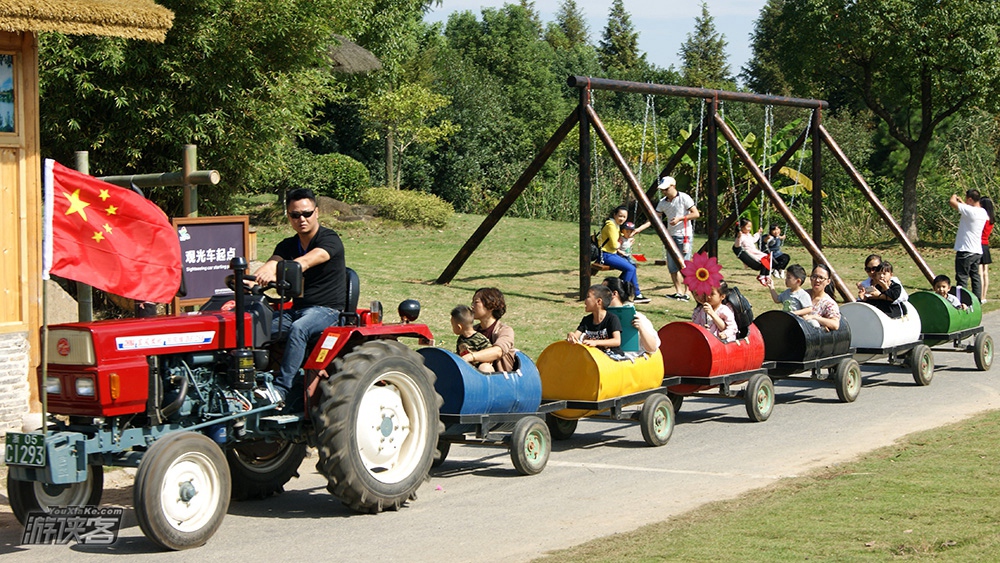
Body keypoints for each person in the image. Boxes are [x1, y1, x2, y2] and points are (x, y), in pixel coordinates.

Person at [254, 188, 346, 406]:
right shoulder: (287, 245)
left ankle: (281, 389)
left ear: (317, 212)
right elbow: (272, 262)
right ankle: (249, 381)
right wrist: (254, 278)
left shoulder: (330, 239)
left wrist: (276, 270)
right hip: (298, 309)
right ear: (288, 216)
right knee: (257, 325)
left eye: (306, 213)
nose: (301, 219)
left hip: (328, 310)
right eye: (295, 215)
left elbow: (306, 261)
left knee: (299, 329)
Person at [635, 176, 699, 301]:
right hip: (670, 236)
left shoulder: (684, 198)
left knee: (684, 264)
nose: (664, 192)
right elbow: (654, 219)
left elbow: (696, 214)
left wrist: (680, 219)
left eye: (666, 189)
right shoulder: (663, 202)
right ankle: (678, 291)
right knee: (671, 265)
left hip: (684, 236)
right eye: (663, 190)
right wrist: (639, 229)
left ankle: (687, 292)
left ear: (673, 186)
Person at [598, 206, 650, 303]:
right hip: (606, 254)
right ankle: (620, 293)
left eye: (624, 217)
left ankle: (637, 294)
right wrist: (621, 242)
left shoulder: (616, 225)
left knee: (632, 267)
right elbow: (614, 245)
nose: (622, 219)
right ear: (615, 215)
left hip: (612, 254)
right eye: (620, 216)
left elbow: (618, 237)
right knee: (630, 268)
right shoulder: (611, 225)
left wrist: (626, 239)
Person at [604, 277, 661, 355]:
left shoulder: (638, 317)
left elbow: (652, 348)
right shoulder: (599, 316)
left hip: (630, 361)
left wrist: (641, 329)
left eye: (603, 291)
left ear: (614, 294)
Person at [950, 189, 989, 301]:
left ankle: (962, 302)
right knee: (975, 278)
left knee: (962, 278)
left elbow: (952, 202)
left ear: (971, 199)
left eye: (967, 199)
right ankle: (977, 301)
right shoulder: (982, 212)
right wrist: (962, 201)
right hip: (977, 251)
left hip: (965, 250)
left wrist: (954, 195)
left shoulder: (970, 211)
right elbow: (967, 208)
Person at [467, 287, 517, 372]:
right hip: (472, 378)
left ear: (491, 305)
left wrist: (471, 356)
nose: (472, 306)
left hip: (501, 381)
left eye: (476, 302)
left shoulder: (505, 330)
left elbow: (498, 351)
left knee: (485, 367)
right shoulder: (472, 330)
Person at [567, 284, 623, 354]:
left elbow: (617, 341)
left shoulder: (612, 319)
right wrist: (571, 335)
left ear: (599, 301)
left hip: (612, 356)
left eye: (588, 297)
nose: (585, 301)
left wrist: (596, 342)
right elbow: (576, 337)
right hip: (594, 357)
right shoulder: (586, 320)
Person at [796, 264, 841, 331]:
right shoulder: (801, 295)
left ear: (828, 281)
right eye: (814, 276)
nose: (817, 280)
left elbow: (835, 324)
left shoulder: (828, 303)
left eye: (821, 278)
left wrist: (814, 318)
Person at [450, 305, 494, 373]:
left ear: (459, 327)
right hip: (467, 371)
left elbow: (490, 353)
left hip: (480, 371)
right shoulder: (461, 339)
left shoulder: (479, 338)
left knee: (485, 367)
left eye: (452, 324)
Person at [734, 218, 775, 286]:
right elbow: (737, 246)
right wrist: (738, 237)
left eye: (750, 227)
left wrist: (758, 233)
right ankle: (762, 276)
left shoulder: (749, 235)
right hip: (749, 252)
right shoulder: (741, 236)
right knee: (764, 259)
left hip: (754, 251)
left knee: (768, 257)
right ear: (741, 227)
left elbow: (753, 240)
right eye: (748, 227)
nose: (750, 229)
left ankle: (766, 274)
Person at [980, 197, 995, 304]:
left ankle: (980, 295)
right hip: (986, 245)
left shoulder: (982, 218)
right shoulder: (991, 219)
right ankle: (984, 296)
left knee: (979, 273)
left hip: (979, 244)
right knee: (985, 273)